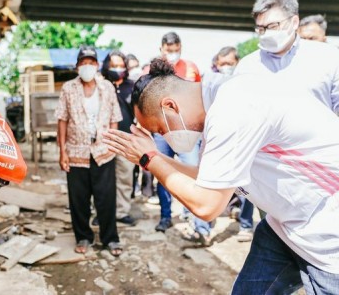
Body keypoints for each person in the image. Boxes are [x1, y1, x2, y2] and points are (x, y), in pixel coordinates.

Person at [104, 58, 339, 294]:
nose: (165, 138)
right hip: (284, 225)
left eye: (160, 130)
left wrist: (150, 160)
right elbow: (204, 177)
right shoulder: (213, 104)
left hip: (324, 234)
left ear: (170, 106)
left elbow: (208, 205)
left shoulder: (233, 107)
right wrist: (154, 155)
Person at [55, 46, 123, 256]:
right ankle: (83, 237)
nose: (87, 66)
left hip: (103, 151)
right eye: (83, 63)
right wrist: (62, 152)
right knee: (79, 199)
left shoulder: (107, 88)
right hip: (76, 152)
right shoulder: (68, 88)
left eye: (91, 62)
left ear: (96, 65)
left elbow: (114, 119)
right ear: (77, 67)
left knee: (106, 198)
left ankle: (110, 238)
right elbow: (62, 120)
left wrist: (112, 145)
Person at [234, 0, 339, 114]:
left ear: (294, 22)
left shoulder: (328, 57)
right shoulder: (247, 66)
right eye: (261, 29)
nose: (267, 33)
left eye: (273, 26)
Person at [203, 46, 255, 243]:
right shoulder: (210, 82)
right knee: (212, 183)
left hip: (244, 140)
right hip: (218, 140)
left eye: (229, 64)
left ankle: (246, 225)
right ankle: (204, 227)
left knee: (247, 186)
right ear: (216, 64)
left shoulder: (247, 81)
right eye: (222, 63)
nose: (225, 67)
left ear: (237, 62)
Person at [153, 32, 202, 233]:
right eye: (168, 50)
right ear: (161, 49)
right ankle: (165, 216)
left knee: (193, 172)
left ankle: (193, 215)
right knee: (163, 174)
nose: (172, 54)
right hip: (161, 131)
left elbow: (199, 95)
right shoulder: (152, 70)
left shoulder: (190, 68)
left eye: (176, 50)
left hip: (186, 131)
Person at [101, 50, 136, 226]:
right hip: (103, 140)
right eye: (114, 65)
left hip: (125, 140)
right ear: (107, 66)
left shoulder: (132, 86)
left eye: (121, 65)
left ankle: (122, 212)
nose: (117, 69)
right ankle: (101, 211)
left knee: (125, 177)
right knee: (103, 179)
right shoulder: (100, 86)